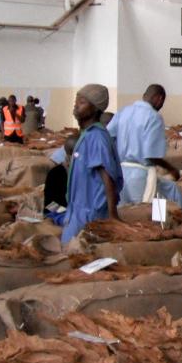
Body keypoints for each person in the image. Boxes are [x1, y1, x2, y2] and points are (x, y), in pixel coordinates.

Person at [107, 84, 182, 208]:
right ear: (159, 99)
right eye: (162, 103)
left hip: (120, 172)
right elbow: (152, 156)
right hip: (140, 174)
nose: (161, 106)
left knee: (123, 213)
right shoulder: (154, 117)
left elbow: (107, 137)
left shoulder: (123, 112)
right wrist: (171, 169)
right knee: (143, 214)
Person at [62, 85, 122, 244]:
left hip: (90, 215)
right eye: (76, 101)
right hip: (78, 212)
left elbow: (107, 176)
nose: (76, 105)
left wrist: (112, 215)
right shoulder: (86, 135)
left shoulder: (97, 137)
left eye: (81, 102)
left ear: (95, 109)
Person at [44, 135, 77, 223]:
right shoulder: (55, 174)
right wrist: (68, 213)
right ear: (70, 154)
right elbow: (50, 204)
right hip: (58, 213)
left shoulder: (85, 172)